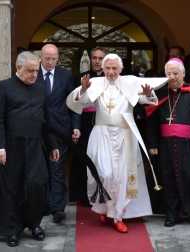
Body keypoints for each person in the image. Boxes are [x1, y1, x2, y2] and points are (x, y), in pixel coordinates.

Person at [66, 53, 167, 233]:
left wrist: (148, 93)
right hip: (102, 135)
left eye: (114, 68)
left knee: (121, 178)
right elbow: (78, 103)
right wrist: (82, 90)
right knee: (103, 174)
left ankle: (117, 215)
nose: (111, 72)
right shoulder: (95, 84)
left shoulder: (129, 83)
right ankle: (106, 209)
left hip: (124, 137)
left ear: (120, 69)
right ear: (103, 69)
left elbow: (148, 101)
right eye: (108, 68)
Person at [0, 52, 59, 247]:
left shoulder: (40, 89)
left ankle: (34, 224)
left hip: (35, 146)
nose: (34, 75)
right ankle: (12, 229)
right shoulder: (3, 88)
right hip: (11, 147)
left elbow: (46, 121)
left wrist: (52, 145)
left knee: (37, 186)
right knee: (12, 190)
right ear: (18, 68)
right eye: (30, 71)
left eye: (36, 70)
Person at [145, 58, 190, 227]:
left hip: (189, 145)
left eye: (176, 73)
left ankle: (189, 212)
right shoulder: (160, 94)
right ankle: (171, 213)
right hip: (165, 145)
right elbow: (152, 121)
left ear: (183, 74)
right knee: (168, 179)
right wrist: (153, 144)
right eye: (169, 74)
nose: (172, 77)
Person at [37, 43, 81, 223]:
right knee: (40, 168)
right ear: (41, 57)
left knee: (57, 168)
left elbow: (74, 103)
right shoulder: (33, 73)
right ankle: (42, 204)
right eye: (47, 58)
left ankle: (57, 208)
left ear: (58, 59)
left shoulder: (66, 76)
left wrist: (76, 126)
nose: (50, 62)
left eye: (53, 59)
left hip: (60, 130)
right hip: (38, 129)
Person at [69, 47, 106, 206]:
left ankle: (102, 192)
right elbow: (75, 105)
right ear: (90, 59)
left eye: (100, 58)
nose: (97, 61)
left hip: (103, 122)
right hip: (85, 122)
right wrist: (75, 126)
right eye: (94, 58)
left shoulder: (111, 77)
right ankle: (83, 195)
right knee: (83, 158)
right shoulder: (81, 78)